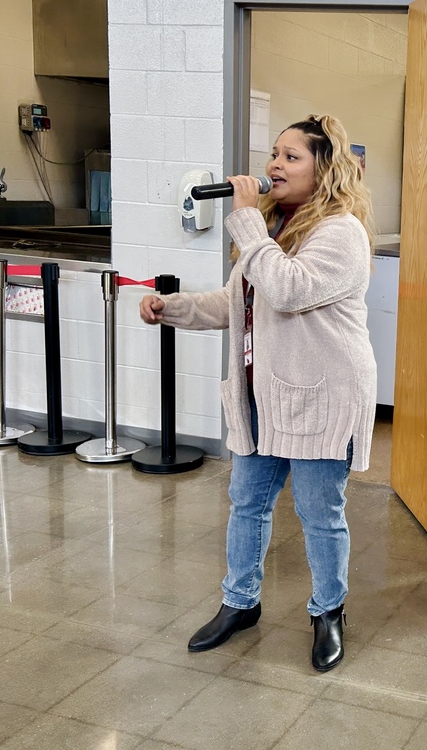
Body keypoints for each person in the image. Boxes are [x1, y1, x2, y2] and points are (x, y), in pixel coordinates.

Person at [139, 114, 377, 672]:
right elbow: (237, 305)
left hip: (323, 397)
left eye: (292, 156)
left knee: (320, 513)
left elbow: (288, 290)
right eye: (275, 153)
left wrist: (246, 222)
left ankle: (328, 612)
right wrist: (171, 309)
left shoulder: (340, 232)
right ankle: (239, 603)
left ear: (326, 168)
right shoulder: (272, 228)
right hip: (263, 397)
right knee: (247, 503)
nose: (274, 164)